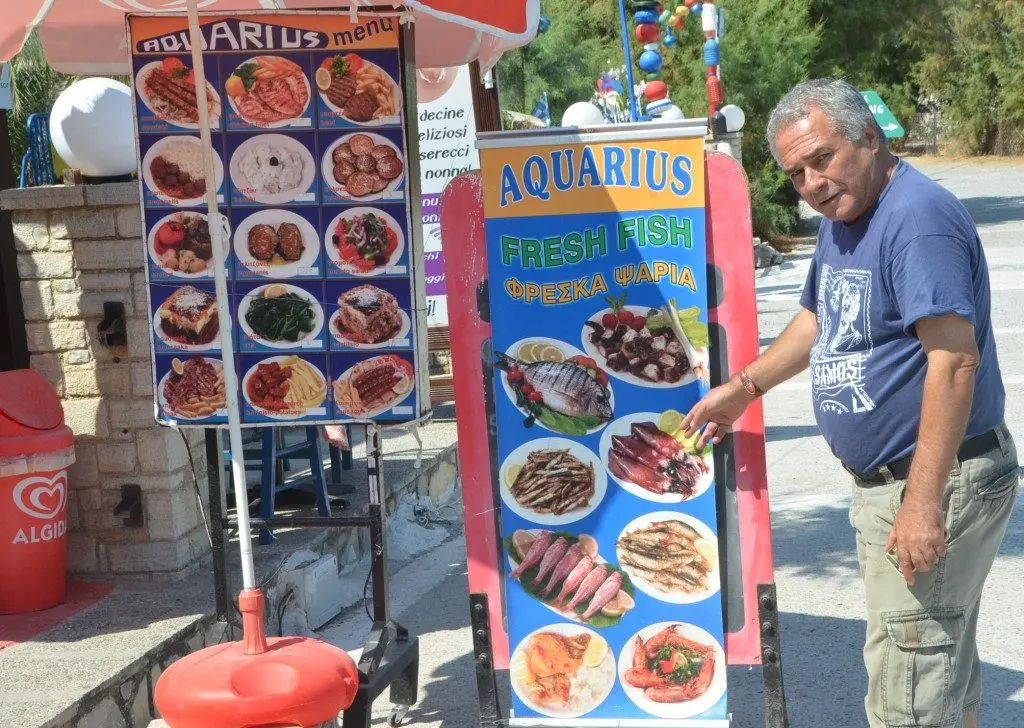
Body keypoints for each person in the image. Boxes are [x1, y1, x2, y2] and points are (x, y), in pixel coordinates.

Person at [682, 78, 1018, 727]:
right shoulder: (845, 218)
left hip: (930, 479)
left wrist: (922, 501)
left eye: (822, 158)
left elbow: (954, 362)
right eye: (796, 172)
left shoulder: (915, 219)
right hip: (891, 486)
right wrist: (745, 387)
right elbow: (818, 319)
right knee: (936, 677)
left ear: (869, 138)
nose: (811, 182)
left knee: (910, 695)